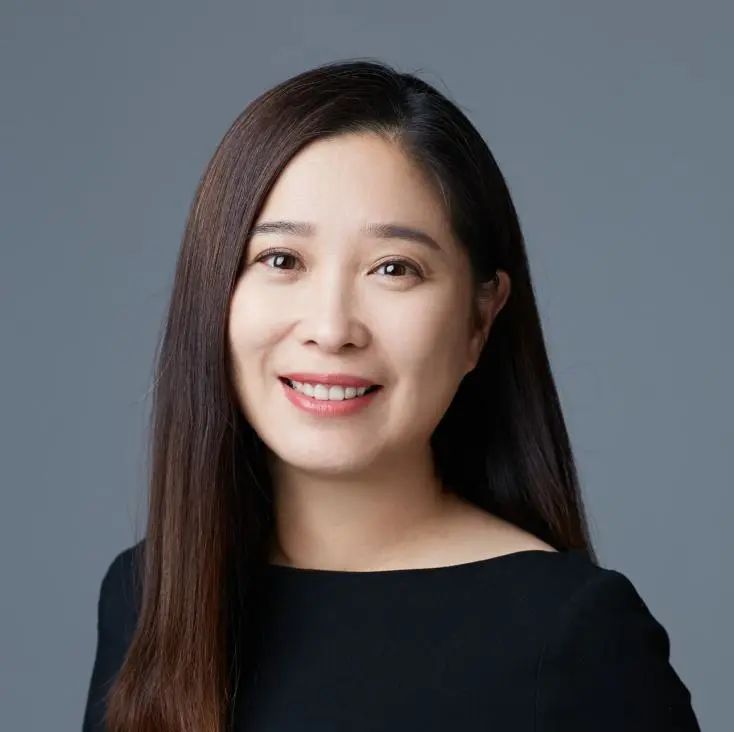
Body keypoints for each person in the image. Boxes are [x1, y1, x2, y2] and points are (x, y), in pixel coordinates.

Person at [82, 58, 702, 731]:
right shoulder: (148, 597)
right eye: (281, 260)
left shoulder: (576, 638)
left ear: (480, 319)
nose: (331, 329)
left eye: (394, 269)